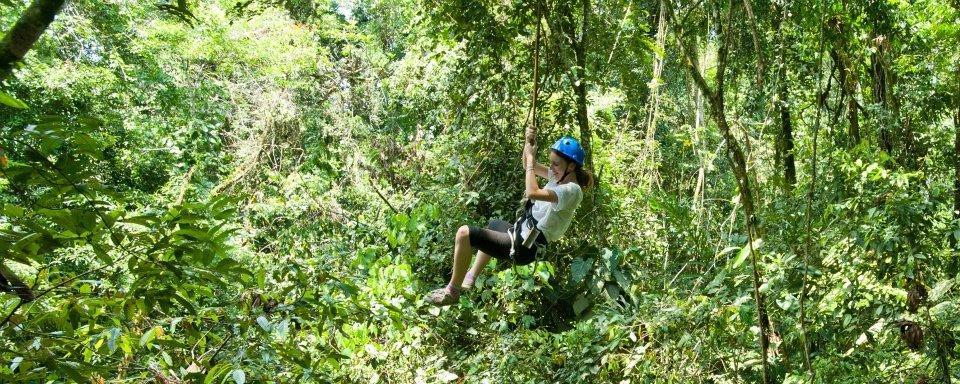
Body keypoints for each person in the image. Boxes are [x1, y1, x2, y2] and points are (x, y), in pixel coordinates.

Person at [425, 136, 594, 306]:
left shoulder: (571, 190)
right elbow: (529, 166)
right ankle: (470, 277)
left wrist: (530, 161)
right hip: (521, 233)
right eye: (551, 163)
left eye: (556, 164)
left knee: (464, 233)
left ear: (571, 166)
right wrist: (528, 143)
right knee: (494, 224)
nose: (551, 168)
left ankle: (452, 291)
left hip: (526, 246)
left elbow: (532, 192)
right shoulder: (557, 177)